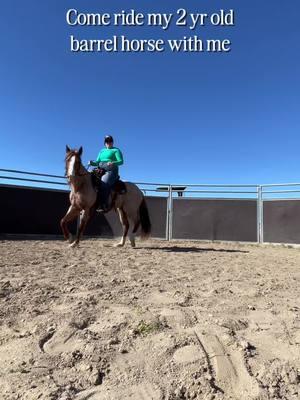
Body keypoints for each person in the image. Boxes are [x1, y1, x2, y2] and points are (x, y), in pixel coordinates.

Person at [89, 135, 124, 212]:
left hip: (111, 171)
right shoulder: (102, 151)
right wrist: (92, 163)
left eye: (110, 141)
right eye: (107, 141)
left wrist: (113, 162)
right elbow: (97, 162)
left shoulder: (116, 150)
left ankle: (103, 204)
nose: (109, 143)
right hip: (100, 169)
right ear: (105, 143)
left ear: (112, 142)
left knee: (104, 183)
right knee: (89, 178)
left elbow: (121, 161)